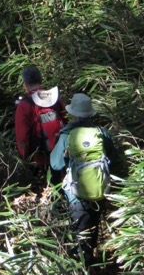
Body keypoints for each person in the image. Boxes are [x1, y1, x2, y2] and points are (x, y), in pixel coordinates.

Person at [50, 92, 117, 266]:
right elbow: (113, 161)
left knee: (79, 234)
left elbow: (56, 164)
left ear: (73, 113)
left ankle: (83, 272)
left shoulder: (67, 135)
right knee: (93, 229)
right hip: (100, 190)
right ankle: (92, 263)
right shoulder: (102, 133)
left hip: (76, 194)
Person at [14, 66, 66, 186]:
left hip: (40, 156)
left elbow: (22, 135)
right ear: (41, 80)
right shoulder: (54, 97)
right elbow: (65, 120)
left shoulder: (25, 104)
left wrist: (25, 156)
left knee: (47, 185)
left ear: (25, 83)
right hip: (60, 151)